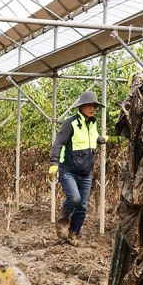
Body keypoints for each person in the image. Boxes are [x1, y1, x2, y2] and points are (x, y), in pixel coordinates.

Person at [48, 90, 106, 245]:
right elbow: (58, 143)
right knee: (74, 198)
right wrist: (54, 163)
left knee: (82, 206)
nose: (92, 108)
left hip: (86, 172)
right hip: (68, 170)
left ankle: (73, 235)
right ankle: (63, 219)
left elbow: (92, 137)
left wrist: (101, 139)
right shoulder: (71, 123)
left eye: (94, 105)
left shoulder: (92, 123)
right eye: (88, 105)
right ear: (81, 107)